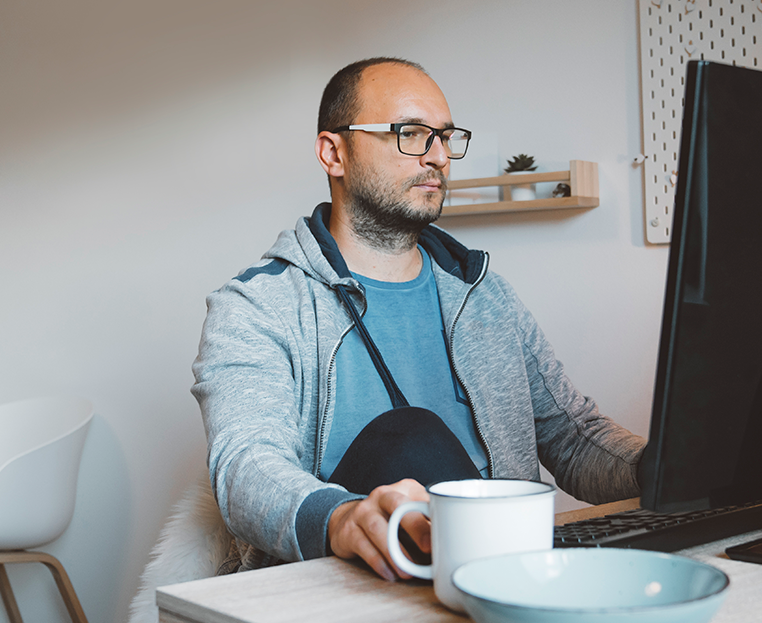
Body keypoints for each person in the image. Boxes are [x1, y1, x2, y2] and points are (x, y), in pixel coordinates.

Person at [192, 57, 644, 580]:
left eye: (446, 137)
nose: (438, 156)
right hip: (350, 586)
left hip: (510, 576)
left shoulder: (484, 293)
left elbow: (571, 437)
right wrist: (340, 517)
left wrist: (667, 465)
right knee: (410, 436)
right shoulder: (257, 306)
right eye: (411, 134)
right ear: (333, 152)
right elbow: (246, 466)